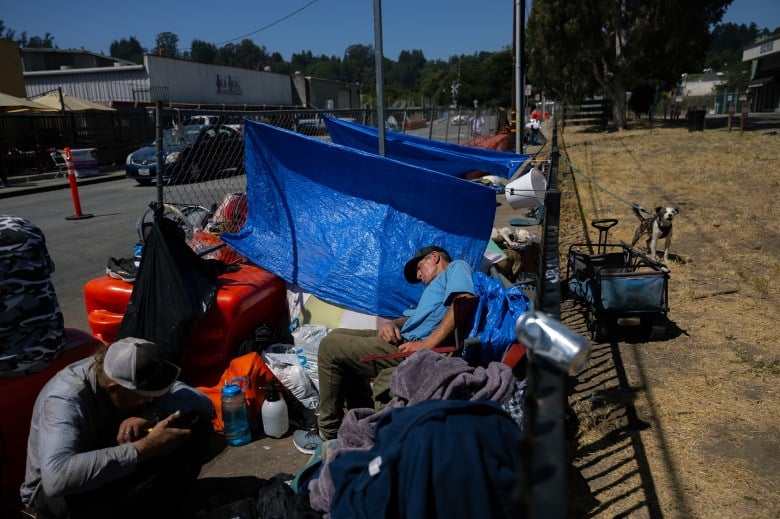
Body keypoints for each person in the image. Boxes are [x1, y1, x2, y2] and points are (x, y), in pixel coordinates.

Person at [292, 245, 475, 454]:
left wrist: (427, 344)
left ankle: (327, 434)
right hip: (404, 338)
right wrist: (392, 325)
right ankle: (362, 420)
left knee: (330, 347)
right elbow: (411, 318)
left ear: (434, 257)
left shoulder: (456, 268)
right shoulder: (434, 289)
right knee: (335, 335)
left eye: (419, 267)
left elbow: (464, 300)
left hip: (418, 350)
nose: (418, 275)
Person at [20, 337, 216, 519]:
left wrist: (151, 413)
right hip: (55, 496)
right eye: (141, 395)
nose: (148, 399)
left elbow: (203, 403)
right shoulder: (65, 399)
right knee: (86, 498)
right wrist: (143, 449)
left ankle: (164, 507)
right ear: (114, 388)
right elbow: (56, 478)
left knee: (195, 423)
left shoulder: (131, 374)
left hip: (111, 458)